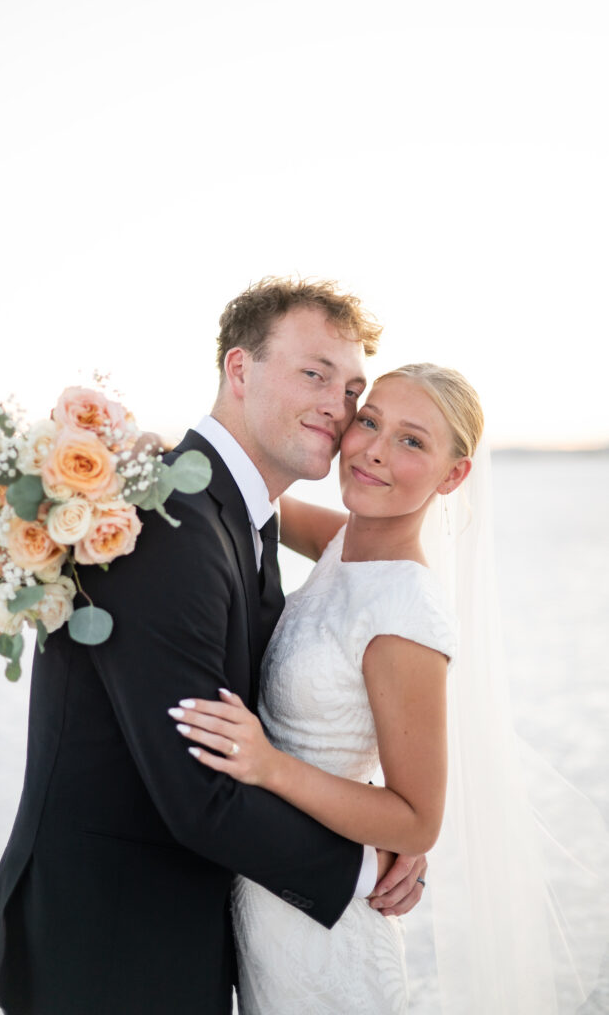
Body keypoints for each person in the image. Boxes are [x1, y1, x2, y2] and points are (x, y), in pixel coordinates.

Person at [0, 278, 428, 1015]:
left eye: (351, 391)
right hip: (108, 952)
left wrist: (379, 817)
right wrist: (367, 868)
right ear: (239, 369)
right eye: (314, 375)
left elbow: (378, 552)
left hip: (165, 937)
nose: (337, 407)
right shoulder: (168, 527)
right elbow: (200, 795)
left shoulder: (235, 513)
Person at [170, 364, 609, 1014]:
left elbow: (416, 820)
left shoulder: (405, 613)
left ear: (452, 476)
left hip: (328, 937)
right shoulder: (343, 544)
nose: (374, 450)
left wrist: (269, 766)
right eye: (369, 421)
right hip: (271, 896)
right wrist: (144, 453)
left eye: (411, 441)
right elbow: (243, 494)